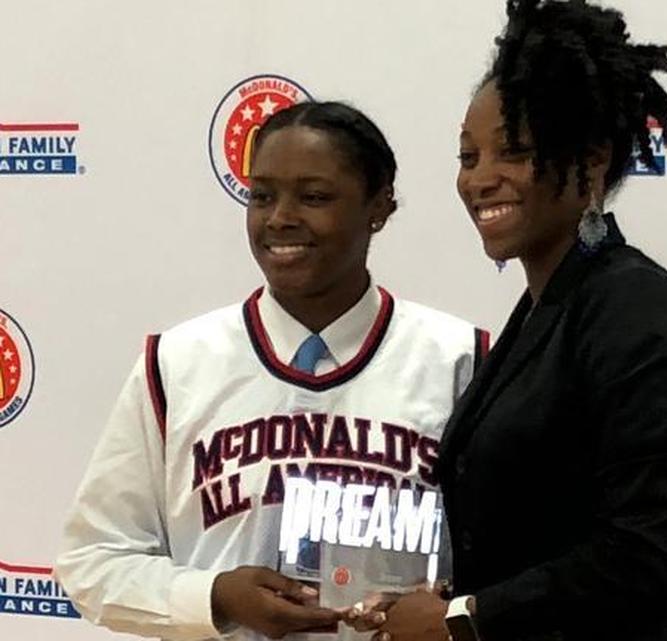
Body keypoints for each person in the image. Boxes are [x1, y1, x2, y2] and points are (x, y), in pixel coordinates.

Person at [352, 1, 667, 640]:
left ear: (589, 164)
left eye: (516, 151)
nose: (480, 179)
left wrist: (460, 620)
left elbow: (644, 555)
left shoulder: (635, 308)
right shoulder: (544, 308)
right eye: (468, 157)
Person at [55, 101, 488, 641]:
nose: (280, 217)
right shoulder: (177, 362)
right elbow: (92, 562)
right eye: (261, 196)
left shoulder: (461, 360)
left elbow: (513, 565)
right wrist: (215, 596)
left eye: (314, 196)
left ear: (379, 206)